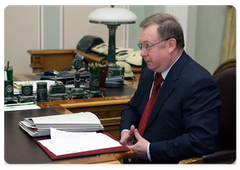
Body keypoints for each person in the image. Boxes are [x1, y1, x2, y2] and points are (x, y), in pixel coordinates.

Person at [120, 13, 222, 164]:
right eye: (141, 46)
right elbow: (133, 108)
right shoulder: (150, 71)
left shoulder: (198, 82)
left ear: (171, 45)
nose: (142, 53)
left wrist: (150, 150)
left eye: (147, 46)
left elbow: (201, 140)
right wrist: (126, 133)